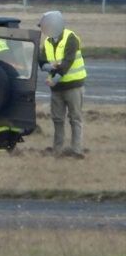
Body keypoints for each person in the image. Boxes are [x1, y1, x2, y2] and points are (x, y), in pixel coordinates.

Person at [38, 10, 86, 159]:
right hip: (57, 88)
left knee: (75, 118)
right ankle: (57, 150)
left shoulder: (71, 38)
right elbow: (41, 61)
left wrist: (54, 78)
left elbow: (67, 63)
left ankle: (76, 150)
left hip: (73, 86)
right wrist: (50, 67)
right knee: (57, 119)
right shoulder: (47, 42)